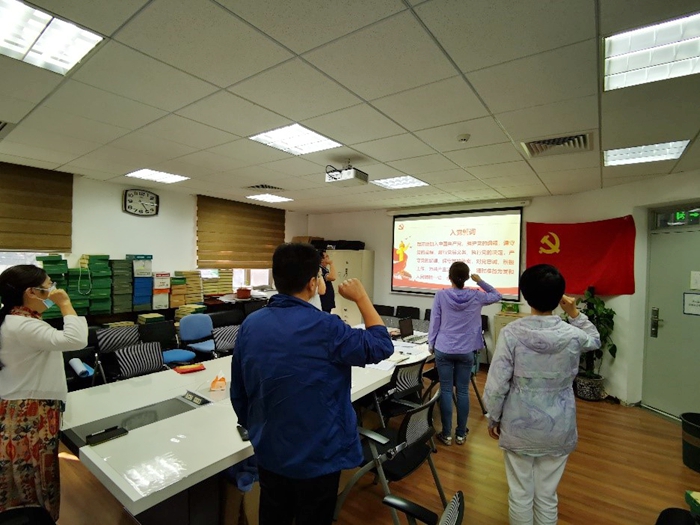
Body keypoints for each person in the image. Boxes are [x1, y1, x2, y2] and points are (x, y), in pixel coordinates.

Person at [230, 243, 393, 525]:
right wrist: (362, 297)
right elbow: (381, 345)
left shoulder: (251, 325)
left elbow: (239, 392)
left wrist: (258, 430)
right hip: (319, 456)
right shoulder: (327, 327)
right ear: (312, 283)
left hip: (270, 452)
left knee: (273, 517)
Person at [483, 264, 601, 525]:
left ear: (525, 296)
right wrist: (574, 313)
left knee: (520, 493)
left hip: (518, 425)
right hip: (559, 426)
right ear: (559, 297)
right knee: (547, 495)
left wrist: (493, 417)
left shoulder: (511, 333)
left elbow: (497, 383)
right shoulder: (573, 335)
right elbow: (594, 339)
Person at [0, 265, 88, 520]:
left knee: (30, 466)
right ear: (32, 292)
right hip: (30, 409)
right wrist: (65, 304)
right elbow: (76, 340)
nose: (53, 291)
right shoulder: (24, 326)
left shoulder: (14, 319)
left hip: (20, 400)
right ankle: (35, 515)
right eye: (49, 286)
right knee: (34, 467)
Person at [428, 261, 502, 445]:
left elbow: (435, 320)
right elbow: (497, 295)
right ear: (467, 277)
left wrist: (431, 343)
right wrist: (480, 281)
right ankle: (461, 434)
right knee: (462, 391)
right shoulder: (476, 296)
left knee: (446, 390)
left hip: (444, 348)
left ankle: (446, 434)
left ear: (450, 277)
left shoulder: (441, 295)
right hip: (466, 349)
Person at [319, 249, 336, 313]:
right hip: (324, 301)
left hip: (327, 300)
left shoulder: (325, 269)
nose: (328, 258)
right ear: (321, 260)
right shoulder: (320, 269)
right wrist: (331, 264)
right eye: (326, 256)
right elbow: (333, 277)